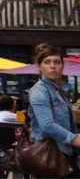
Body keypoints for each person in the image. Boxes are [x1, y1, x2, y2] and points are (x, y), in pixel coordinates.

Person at [28, 43, 80, 176]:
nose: (53, 66)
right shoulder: (39, 91)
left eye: (57, 62)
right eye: (47, 62)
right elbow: (47, 125)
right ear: (40, 67)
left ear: (62, 66)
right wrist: (75, 139)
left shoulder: (59, 90)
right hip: (50, 155)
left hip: (65, 152)